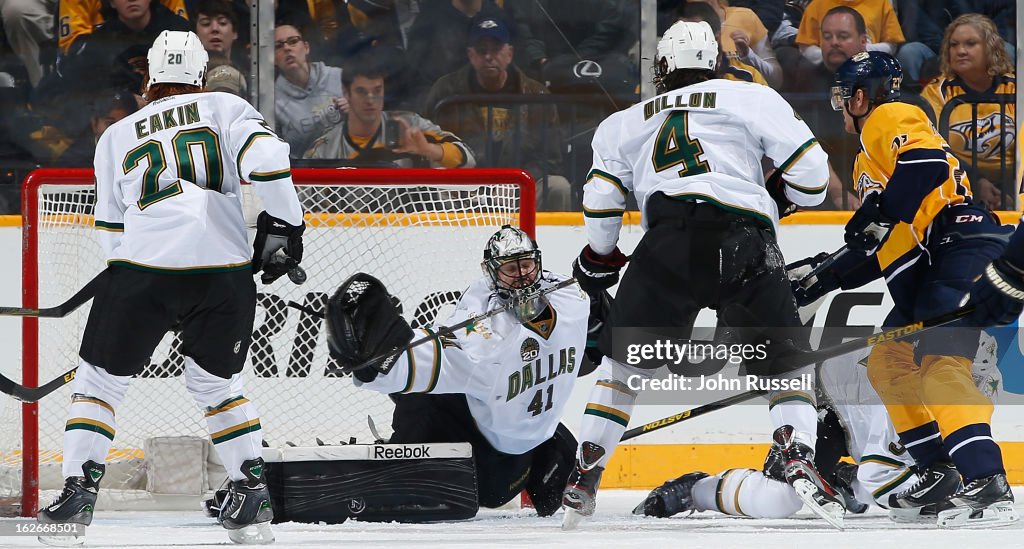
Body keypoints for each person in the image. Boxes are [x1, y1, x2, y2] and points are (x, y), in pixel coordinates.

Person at [561, 20, 836, 529]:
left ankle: (585, 472)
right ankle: (797, 454)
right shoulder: (750, 97)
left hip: (666, 245)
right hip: (744, 241)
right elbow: (814, 178)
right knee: (787, 366)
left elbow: (601, 202)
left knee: (622, 374)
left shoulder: (625, 120)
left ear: (662, 67)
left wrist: (600, 258)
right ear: (714, 64)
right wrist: (780, 201)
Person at [35, 30, 305, 546]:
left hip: (143, 269)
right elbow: (269, 164)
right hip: (223, 272)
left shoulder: (115, 136)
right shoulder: (225, 106)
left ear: (149, 79)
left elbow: (110, 234)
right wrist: (287, 226)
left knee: (99, 385)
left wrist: (129, 281)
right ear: (201, 76)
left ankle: (77, 493)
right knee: (217, 387)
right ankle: (250, 490)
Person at [790, 51, 1017, 528]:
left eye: (844, 97)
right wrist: (826, 275)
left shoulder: (889, 115)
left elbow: (928, 165)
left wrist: (877, 214)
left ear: (859, 95)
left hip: (960, 242)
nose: (842, 107)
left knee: (941, 362)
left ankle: (985, 477)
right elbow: (883, 243)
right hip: (933, 261)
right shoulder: (866, 162)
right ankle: (937, 471)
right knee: (888, 360)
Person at [325, 225, 589, 516]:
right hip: (541, 452)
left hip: (491, 477)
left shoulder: (482, 345)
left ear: (537, 263)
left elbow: (399, 370)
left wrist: (370, 362)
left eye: (526, 265)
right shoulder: (574, 301)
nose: (522, 277)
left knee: (418, 397)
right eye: (511, 269)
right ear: (492, 274)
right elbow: (602, 342)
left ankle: (398, 475)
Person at [635, 338, 1003, 521]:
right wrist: (942, 493)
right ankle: (694, 491)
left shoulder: (976, 385)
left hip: (851, 399)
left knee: (887, 483)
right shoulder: (908, 390)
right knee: (779, 500)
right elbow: (883, 484)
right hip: (822, 405)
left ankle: (844, 482)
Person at [422, 15, 571, 211]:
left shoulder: (537, 93)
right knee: (439, 180)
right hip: (464, 187)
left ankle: (553, 241)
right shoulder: (445, 90)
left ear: (510, 53)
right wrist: (465, 182)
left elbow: (551, 159)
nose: (489, 56)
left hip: (520, 186)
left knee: (558, 187)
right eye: (482, 50)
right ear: (470, 55)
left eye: (496, 49)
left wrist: (519, 180)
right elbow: (429, 147)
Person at [305, 52, 476, 168]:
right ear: (345, 92)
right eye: (361, 92)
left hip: (409, 221)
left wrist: (428, 149)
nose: (371, 100)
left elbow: (469, 159)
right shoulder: (325, 148)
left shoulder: (410, 126)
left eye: (377, 90)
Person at [921, 13, 1017, 211]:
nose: (960, 51)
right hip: (957, 185)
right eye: (954, 45)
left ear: (991, 47)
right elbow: (933, 149)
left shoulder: (1015, 88)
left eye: (970, 43)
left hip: (1014, 185)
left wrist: (1013, 191)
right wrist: (975, 182)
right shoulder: (936, 92)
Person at [274, 22, 346, 158]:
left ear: (306, 47)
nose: (287, 48)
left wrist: (353, 112)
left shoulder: (339, 77)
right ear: (273, 59)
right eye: (278, 46)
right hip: (305, 172)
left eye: (293, 41)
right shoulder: (272, 101)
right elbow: (279, 153)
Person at [795, 0, 903, 69]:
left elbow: (891, 44)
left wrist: (862, 51)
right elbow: (805, 45)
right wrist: (833, 56)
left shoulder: (881, 3)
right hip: (824, 70)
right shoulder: (817, 4)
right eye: (827, 36)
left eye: (843, 36)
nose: (835, 42)